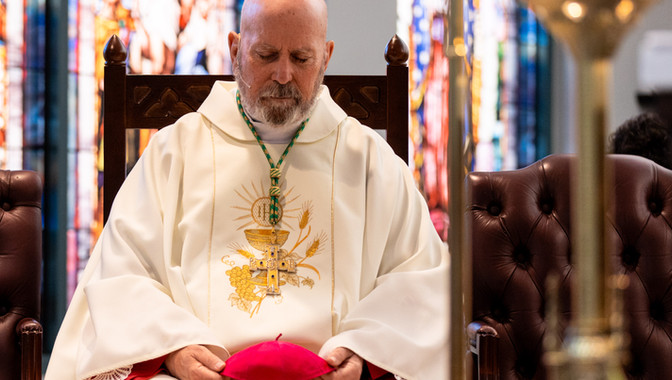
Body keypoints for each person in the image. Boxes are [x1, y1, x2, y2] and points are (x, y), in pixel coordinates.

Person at [44, 0, 450, 379]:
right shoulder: (176, 151)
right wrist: (172, 346)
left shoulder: (369, 160)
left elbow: (422, 279)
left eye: (302, 58)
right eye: (267, 55)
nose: (283, 75)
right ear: (235, 49)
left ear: (326, 56)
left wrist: (366, 350)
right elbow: (120, 271)